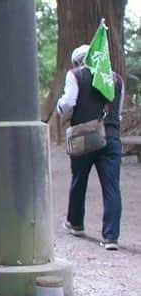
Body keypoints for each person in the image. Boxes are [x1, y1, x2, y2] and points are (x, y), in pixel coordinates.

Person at [56, 44, 123, 250]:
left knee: (79, 180)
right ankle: (111, 237)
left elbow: (68, 103)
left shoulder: (75, 75)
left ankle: (76, 223)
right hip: (111, 137)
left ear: (78, 61)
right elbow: (118, 112)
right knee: (112, 187)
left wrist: (60, 109)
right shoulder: (116, 79)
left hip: (84, 137)